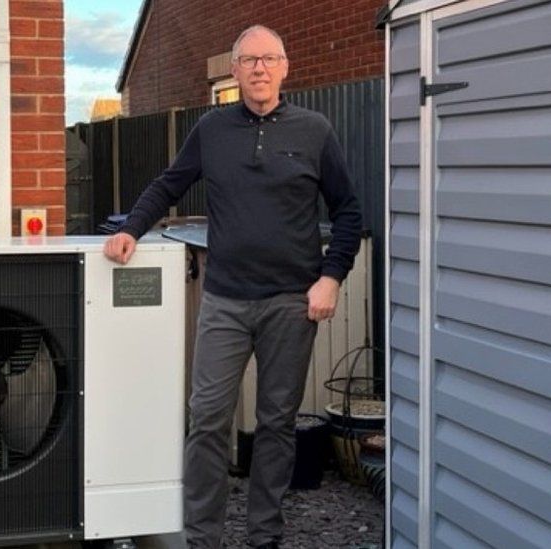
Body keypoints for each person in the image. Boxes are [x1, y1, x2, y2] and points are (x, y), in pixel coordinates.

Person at [103, 25, 362, 549]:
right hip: (224, 300)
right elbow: (169, 184)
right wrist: (132, 226)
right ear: (236, 71)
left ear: (285, 68)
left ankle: (264, 535)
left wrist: (331, 277)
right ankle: (203, 538)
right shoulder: (212, 129)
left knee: (276, 424)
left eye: (268, 59)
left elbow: (349, 211)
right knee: (207, 421)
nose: (259, 69)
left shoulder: (314, 131)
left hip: (292, 304)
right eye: (248, 60)